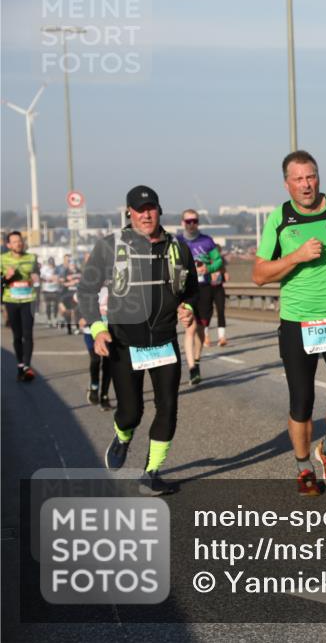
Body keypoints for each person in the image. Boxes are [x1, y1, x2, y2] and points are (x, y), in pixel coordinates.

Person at [252, 150, 326, 496]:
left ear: (319, 176)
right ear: (287, 183)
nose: (306, 184)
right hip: (297, 323)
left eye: (312, 176)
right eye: (299, 179)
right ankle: (304, 467)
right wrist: (296, 257)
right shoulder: (280, 219)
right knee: (301, 402)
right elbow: (259, 275)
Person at [78, 185, 198, 496]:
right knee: (131, 412)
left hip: (163, 340)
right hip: (124, 342)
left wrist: (188, 307)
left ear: (160, 210)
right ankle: (122, 436)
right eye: (139, 209)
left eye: (152, 208)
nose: (146, 214)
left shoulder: (178, 248)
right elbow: (86, 292)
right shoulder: (109, 247)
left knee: (168, 407)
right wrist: (97, 329)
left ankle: (152, 473)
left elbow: (192, 290)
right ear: (129, 213)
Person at [176, 209, 224, 384]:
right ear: (182, 223)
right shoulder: (177, 242)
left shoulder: (207, 241)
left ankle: (196, 360)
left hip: (204, 288)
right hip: (186, 291)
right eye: (187, 221)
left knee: (201, 329)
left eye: (194, 221)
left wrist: (208, 268)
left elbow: (218, 260)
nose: (191, 224)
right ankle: (192, 368)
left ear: (198, 222)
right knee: (190, 327)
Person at [2, 231, 40, 382]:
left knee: (28, 334)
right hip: (11, 301)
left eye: (20, 241)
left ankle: (27, 367)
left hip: (28, 300)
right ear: (9, 245)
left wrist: (36, 277)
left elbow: (37, 274)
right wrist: (6, 277)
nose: (18, 243)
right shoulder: (2, 259)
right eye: (15, 241)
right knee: (17, 336)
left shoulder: (31, 258)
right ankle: (20, 364)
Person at [79, 282, 114, 410]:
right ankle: (94, 387)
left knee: (108, 363)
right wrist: (81, 317)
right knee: (95, 359)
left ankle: (104, 395)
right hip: (91, 331)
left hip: (110, 331)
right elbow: (79, 304)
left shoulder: (114, 286)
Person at [59, 260, 82, 335]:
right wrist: (70, 283)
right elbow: (62, 283)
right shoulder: (65, 272)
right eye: (71, 265)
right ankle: (68, 326)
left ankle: (77, 327)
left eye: (74, 264)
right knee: (66, 312)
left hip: (76, 295)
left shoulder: (79, 272)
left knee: (76, 311)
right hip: (67, 295)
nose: (73, 266)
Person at [40, 256, 62, 327]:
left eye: (52, 263)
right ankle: (49, 320)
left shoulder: (57, 269)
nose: (51, 265)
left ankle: (55, 318)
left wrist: (57, 279)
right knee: (48, 305)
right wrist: (48, 279)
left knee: (56, 305)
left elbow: (60, 277)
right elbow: (41, 278)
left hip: (55, 289)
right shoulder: (44, 269)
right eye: (50, 263)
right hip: (47, 290)